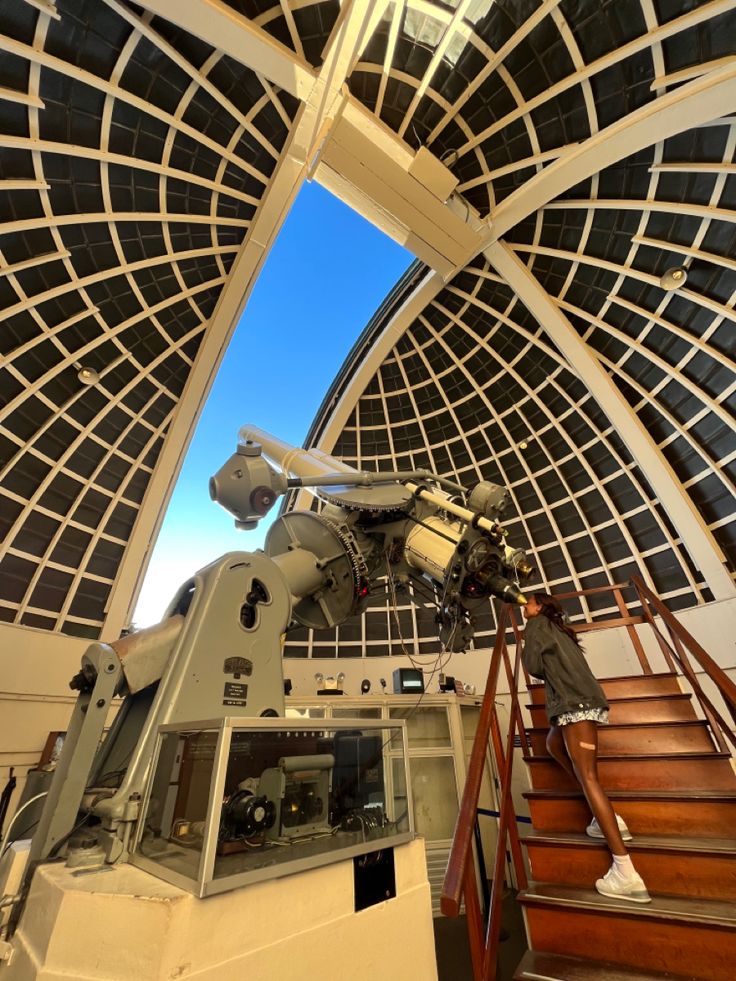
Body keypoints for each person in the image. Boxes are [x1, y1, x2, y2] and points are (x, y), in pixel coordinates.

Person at [522, 592, 651, 904]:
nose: (523, 607)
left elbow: (533, 667)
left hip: (575, 704)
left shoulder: (538, 625)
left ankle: (625, 872)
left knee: (589, 776)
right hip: (577, 701)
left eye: (528, 603)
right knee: (554, 744)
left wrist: (527, 635)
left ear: (540, 607)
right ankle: (604, 817)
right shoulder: (558, 627)